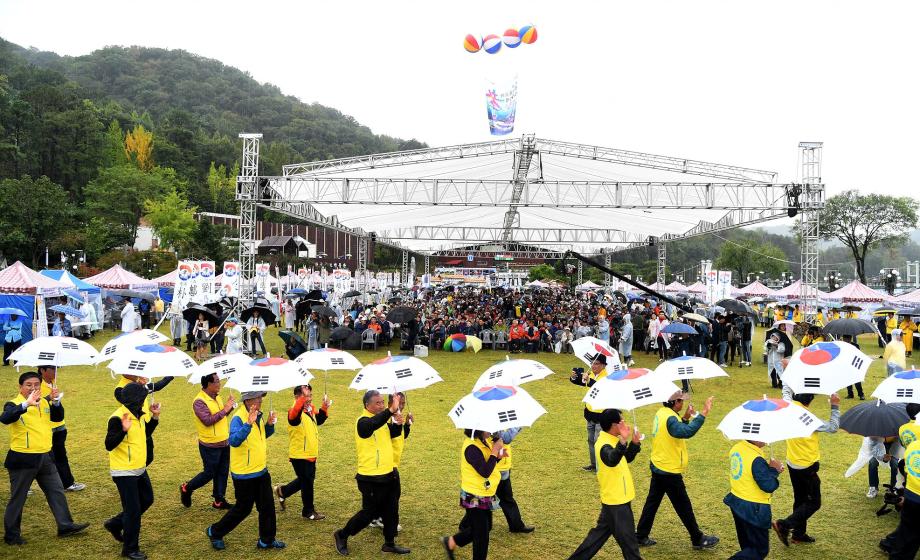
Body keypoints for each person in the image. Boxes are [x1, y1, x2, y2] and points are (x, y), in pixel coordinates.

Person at [2, 371, 89, 546]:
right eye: (28, 385)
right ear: (20, 387)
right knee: (18, 497)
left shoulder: (44, 402)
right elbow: (5, 418)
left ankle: (65, 525)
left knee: (56, 491)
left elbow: (58, 417)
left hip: (45, 456)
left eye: (36, 385)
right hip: (23, 459)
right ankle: (11, 535)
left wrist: (56, 402)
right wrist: (26, 404)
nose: (33, 388)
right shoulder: (13, 404)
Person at [635, 393, 718, 549]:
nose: (683, 403)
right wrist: (704, 413)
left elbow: (676, 430)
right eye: (681, 401)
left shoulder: (663, 413)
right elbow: (685, 432)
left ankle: (640, 535)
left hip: (659, 465)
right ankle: (697, 538)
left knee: (652, 503)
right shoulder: (671, 418)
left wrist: (685, 418)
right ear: (674, 402)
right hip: (668, 470)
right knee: (683, 505)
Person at [333, 390, 409, 555]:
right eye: (378, 403)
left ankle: (389, 543)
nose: (382, 405)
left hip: (389, 474)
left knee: (391, 509)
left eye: (383, 402)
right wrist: (389, 411)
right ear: (367, 405)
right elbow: (368, 428)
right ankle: (342, 534)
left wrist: (398, 423)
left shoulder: (381, 421)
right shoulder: (362, 422)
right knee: (369, 513)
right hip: (370, 478)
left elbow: (394, 434)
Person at [206, 391, 285, 550]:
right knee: (243, 509)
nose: (261, 400)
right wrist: (248, 424)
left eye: (261, 397)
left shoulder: (258, 414)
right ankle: (215, 531)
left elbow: (262, 436)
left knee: (267, 506)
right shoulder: (238, 417)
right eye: (257, 397)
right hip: (244, 474)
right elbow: (234, 441)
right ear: (248, 400)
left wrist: (269, 424)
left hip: (261, 470)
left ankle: (267, 540)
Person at [566, 408, 643, 560]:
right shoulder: (603, 444)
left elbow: (624, 458)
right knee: (629, 543)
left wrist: (633, 444)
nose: (625, 424)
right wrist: (623, 441)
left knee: (596, 538)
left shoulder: (611, 439)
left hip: (615, 499)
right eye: (622, 422)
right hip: (616, 502)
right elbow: (612, 459)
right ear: (614, 425)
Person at [772, 393, 840, 546]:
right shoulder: (809, 418)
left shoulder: (789, 406)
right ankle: (784, 525)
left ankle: (798, 534)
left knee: (801, 499)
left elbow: (786, 391)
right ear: (811, 399)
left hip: (793, 463)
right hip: (806, 466)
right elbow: (833, 427)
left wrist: (786, 372)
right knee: (814, 502)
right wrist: (835, 405)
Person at [103, 382, 160, 560]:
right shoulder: (117, 418)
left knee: (147, 499)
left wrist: (155, 417)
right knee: (133, 511)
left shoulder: (139, 415)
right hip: (124, 472)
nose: (144, 400)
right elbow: (109, 444)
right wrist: (123, 430)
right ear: (137, 400)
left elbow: (145, 434)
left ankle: (115, 523)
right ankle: (130, 549)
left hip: (139, 468)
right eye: (142, 398)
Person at [440, 429, 507, 560]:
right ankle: (451, 542)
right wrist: (494, 451)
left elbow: (488, 463)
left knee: (485, 528)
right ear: (478, 430)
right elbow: (485, 471)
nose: (491, 430)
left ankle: (451, 541)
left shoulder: (484, 440)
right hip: (474, 495)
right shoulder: (471, 447)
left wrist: (497, 456)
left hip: (485, 492)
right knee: (482, 536)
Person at [275, 384, 330, 520]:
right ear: (297, 397)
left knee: (305, 480)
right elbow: (294, 418)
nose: (309, 398)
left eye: (310, 395)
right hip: (300, 454)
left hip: (309, 452)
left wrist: (324, 407)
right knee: (307, 482)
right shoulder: (294, 411)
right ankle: (308, 511)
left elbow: (319, 420)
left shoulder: (309, 409)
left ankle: (283, 491)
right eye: (306, 395)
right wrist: (302, 401)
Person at [181, 373, 235, 510]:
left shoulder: (217, 397)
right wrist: (225, 409)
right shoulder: (199, 402)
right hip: (210, 444)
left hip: (224, 441)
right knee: (209, 473)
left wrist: (229, 408)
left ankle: (219, 500)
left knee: (222, 472)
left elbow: (221, 416)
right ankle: (187, 488)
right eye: (217, 381)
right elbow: (208, 421)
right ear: (208, 384)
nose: (219, 384)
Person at [723, 438, 783, 560]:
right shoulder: (756, 459)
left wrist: (768, 469)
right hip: (754, 508)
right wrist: (773, 470)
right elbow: (768, 485)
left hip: (738, 502)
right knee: (759, 550)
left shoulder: (737, 448)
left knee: (747, 545)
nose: (766, 440)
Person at [38, 365, 84, 492]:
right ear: (42, 370)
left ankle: (67, 483)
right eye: (52, 369)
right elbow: (36, 403)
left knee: (60, 456)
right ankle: (24, 484)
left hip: (59, 426)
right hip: (47, 429)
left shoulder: (52, 383)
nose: (55, 372)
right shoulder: (37, 385)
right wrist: (49, 398)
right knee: (42, 458)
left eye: (56, 368)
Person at [569, 353, 611, 472]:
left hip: (601, 415)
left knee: (599, 442)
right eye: (592, 363)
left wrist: (590, 380)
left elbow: (600, 388)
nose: (593, 366)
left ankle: (600, 466)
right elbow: (581, 381)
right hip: (590, 413)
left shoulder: (606, 377)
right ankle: (593, 464)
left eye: (596, 364)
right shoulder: (591, 374)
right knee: (591, 440)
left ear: (603, 365)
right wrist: (574, 377)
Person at [493, 427, 534, 534]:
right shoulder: (490, 422)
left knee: (505, 498)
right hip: (496, 469)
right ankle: (467, 525)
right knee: (495, 498)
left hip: (501, 466)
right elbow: (506, 438)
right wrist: (517, 425)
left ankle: (516, 525)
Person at [885, 437, 920, 559]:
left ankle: (890, 545)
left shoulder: (913, 445)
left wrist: (905, 494)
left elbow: (906, 470)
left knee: (906, 534)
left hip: (911, 497)